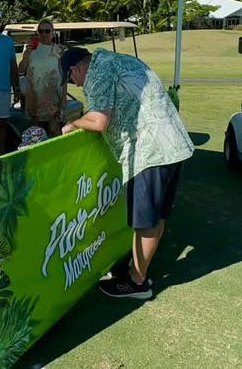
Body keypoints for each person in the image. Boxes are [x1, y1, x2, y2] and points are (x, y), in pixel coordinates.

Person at [60, 47, 194, 299]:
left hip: (150, 150)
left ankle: (138, 282)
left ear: (75, 70)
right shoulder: (116, 60)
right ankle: (137, 267)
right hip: (171, 144)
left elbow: (99, 120)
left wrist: (73, 123)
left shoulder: (97, 71)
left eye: (72, 80)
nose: (76, 85)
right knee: (156, 216)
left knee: (146, 222)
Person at [18, 19, 65, 136]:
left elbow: (64, 77)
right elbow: (21, 70)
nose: (44, 34)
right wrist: (26, 55)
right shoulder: (31, 50)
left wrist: (63, 100)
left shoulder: (59, 51)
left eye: (47, 31)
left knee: (54, 130)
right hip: (34, 96)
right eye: (41, 31)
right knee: (37, 132)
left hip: (53, 97)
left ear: (52, 32)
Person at [0, 7, 21, 153]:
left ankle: (0, 151)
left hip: (4, 88)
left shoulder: (8, 41)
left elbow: (13, 65)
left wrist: (16, 88)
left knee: (2, 122)